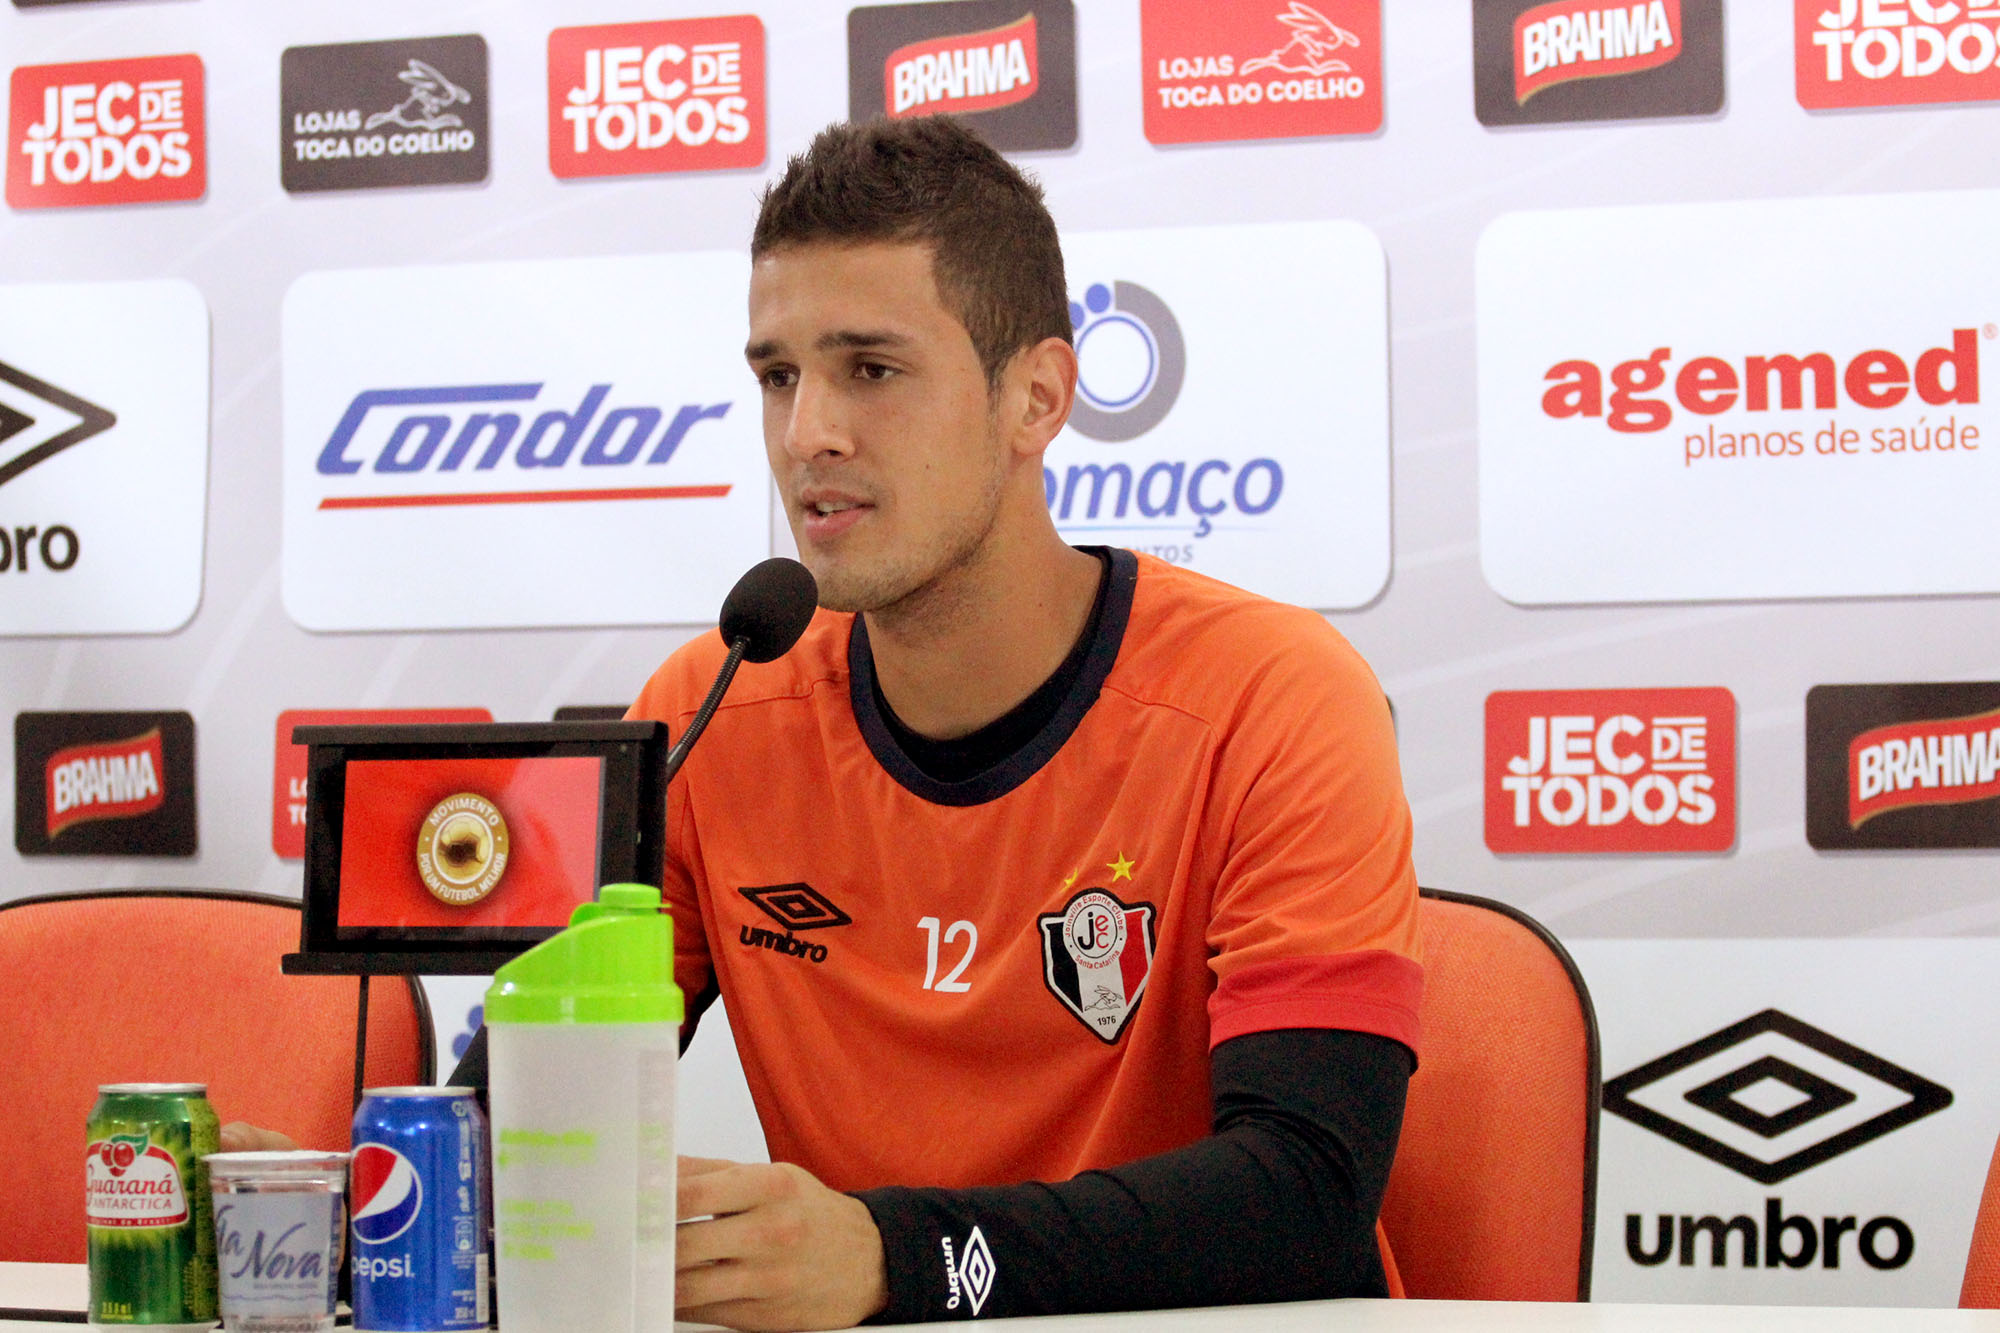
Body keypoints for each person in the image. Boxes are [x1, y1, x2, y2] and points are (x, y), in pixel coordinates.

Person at [230, 114, 1422, 1331]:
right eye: (777, 375)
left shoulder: (1271, 694)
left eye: (871, 368)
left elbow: (1306, 1194)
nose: (808, 435)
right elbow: (531, 1113)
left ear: (1037, 396)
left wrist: (892, 1260)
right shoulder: (710, 706)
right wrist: (357, 1210)